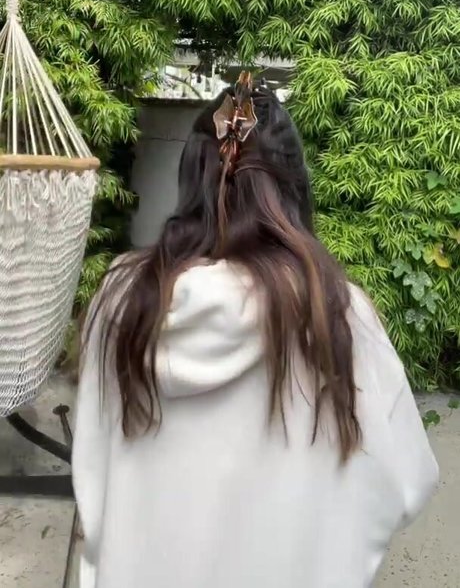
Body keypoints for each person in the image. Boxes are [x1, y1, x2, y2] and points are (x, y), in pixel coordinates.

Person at [73, 73, 438, 588]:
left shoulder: (125, 299)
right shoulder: (334, 311)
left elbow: (92, 470)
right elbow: (407, 480)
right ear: (291, 185)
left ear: (191, 176)